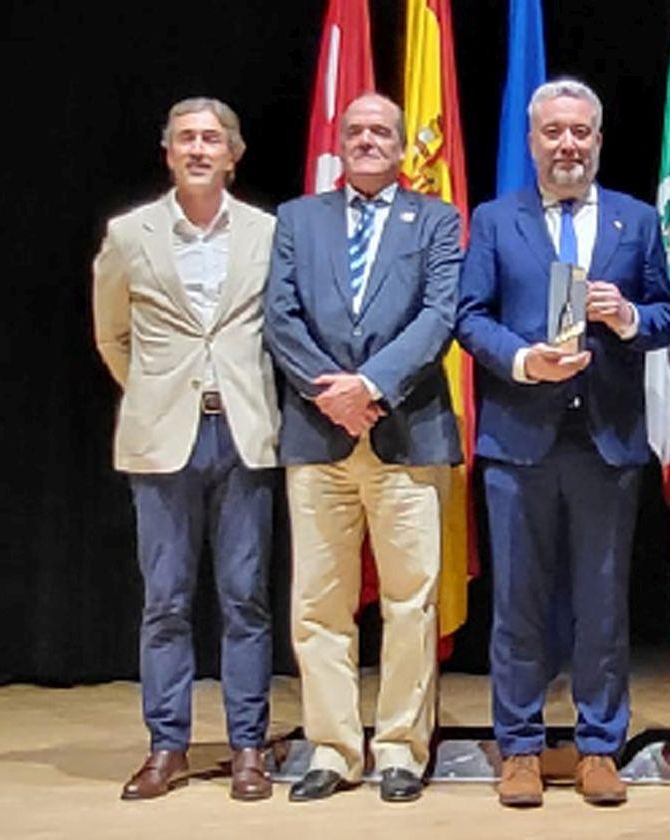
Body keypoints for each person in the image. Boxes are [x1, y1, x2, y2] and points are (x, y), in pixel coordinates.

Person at [456, 78, 670, 808]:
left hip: (607, 441)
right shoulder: (495, 219)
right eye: (553, 132)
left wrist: (627, 320)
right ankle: (518, 746)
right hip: (519, 439)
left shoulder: (636, 221)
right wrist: (523, 360)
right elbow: (469, 316)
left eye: (581, 131)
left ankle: (598, 745)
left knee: (603, 604)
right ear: (532, 141)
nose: (568, 144)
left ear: (600, 140)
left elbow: (668, 317)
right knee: (517, 601)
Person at [264, 92, 462, 804]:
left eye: (382, 131)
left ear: (403, 146)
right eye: (356, 131)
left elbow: (441, 313)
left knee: (410, 601)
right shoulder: (297, 218)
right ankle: (334, 748)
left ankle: (404, 749)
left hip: (408, 433)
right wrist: (333, 394)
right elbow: (278, 315)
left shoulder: (436, 220)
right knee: (318, 603)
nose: (368, 140)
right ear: (338, 141)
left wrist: (371, 386)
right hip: (318, 437)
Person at [93, 97, 278, 801]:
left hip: (244, 432)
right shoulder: (130, 233)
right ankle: (166, 744)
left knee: (245, 599)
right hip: (162, 435)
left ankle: (248, 747)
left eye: (212, 139)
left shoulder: (266, 232)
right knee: (166, 601)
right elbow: (113, 335)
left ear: (233, 154)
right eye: (185, 139)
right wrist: (154, 391)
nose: (199, 149)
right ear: (167, 152)